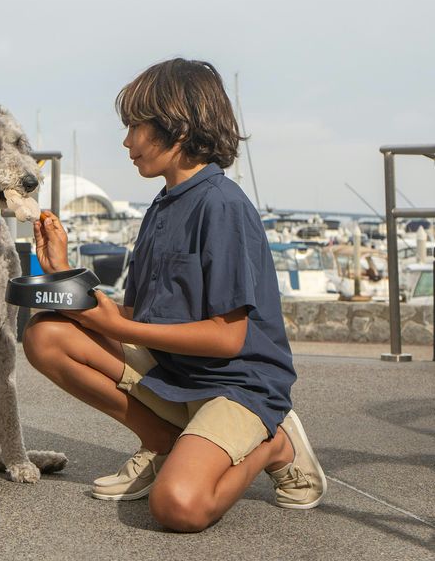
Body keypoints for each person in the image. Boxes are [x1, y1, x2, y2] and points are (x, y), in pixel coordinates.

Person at [23, 59, 325, 533]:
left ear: (177, 127)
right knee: (46, 335)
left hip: (236, 385)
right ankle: (167, 444)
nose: (126, 142)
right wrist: (61, 271)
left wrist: (117, 328)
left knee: (178, 507)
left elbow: (229, 339)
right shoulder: (163, 205)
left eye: (134, 127)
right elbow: (143, 315)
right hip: (174, 374)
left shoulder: (222, 206)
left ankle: (275, 443)